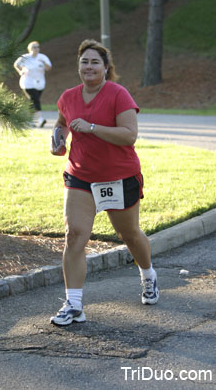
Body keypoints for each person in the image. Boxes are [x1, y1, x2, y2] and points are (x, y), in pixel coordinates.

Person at [50, 39, 159, 326]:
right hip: (80, 177)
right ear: (78, 66)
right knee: (75, 235)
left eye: (95, 62)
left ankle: (148, 275)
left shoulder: (117, 94)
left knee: (130, 235)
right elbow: (62, 121)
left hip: (118, 177)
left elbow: (129, 135)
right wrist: (59, 139)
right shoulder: (69, 96)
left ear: (106, 67)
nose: (89, 66)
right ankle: (74, 305)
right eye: (84, 61)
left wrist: (93, 128)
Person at [13, 41, 52, 127]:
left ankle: (30, 121)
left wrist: (44, 63)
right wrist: (20, 71)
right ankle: (40, 119)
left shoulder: (42, 57)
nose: (36, 49)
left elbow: (49, 68)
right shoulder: (25, 57)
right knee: (35, 99)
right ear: (30, 48)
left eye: (38, 47)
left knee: (33, 101)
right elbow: (16, 64)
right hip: (27, 83)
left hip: (40, 83)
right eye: (34, 47)